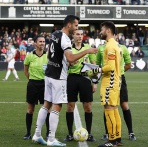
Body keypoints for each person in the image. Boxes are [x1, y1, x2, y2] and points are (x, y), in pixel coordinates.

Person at [32, 15, 98, 146]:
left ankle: (37, 134)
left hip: (49, 73)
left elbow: (56, 54)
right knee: (57, 106)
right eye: (76, 25)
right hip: (58, 77)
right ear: (69, 25)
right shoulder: (66, 39)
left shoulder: (55, 34)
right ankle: (51, 139)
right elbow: (71, 57)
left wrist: (68, 62)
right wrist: (87, 51)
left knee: (46, 104)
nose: (76, 28)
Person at [85, 21, 122, 147]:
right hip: (116, 82)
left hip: (110, 82)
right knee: (115, 109)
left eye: (102, 29)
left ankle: (112, 141)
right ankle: (117, 138)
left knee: (109, 110)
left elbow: (110, 67)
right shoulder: (115, 45)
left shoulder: (110, 46)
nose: (100, 32)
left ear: (108, 31)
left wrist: (94, 71)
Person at [97, 42, 137, 142]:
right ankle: (108, 133)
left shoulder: (123, 48)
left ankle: (130, 132)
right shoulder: (101, 48)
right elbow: (98, 64)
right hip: (107, 78)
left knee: (124, 105)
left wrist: (118, 73)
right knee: (109, 106)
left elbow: (128, 64)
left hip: (119, 78)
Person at [64, 28, 97, 142]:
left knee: (88, 107)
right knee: (70, 106)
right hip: (72, 78)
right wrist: (69, 63)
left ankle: (89, 133)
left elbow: (93, 64)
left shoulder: (88, 48)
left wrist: (94, 82)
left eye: (81, 34)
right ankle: (69, 133)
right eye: (77, 34)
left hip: (85, 79)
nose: (79, 36)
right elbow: (64, 65)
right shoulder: (68, 49)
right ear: (73, 36)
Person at [23, 35, 50, 140]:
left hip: (45, 85)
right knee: (30, 109)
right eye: (40, 41)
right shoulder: (30, 56)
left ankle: (48, 133)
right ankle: (28, 133)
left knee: (47, 109)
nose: (42, 43)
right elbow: (26, 70)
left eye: (43, 41)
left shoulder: (48, 56)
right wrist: (31, 79)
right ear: (35, 43)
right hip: (33, 84)